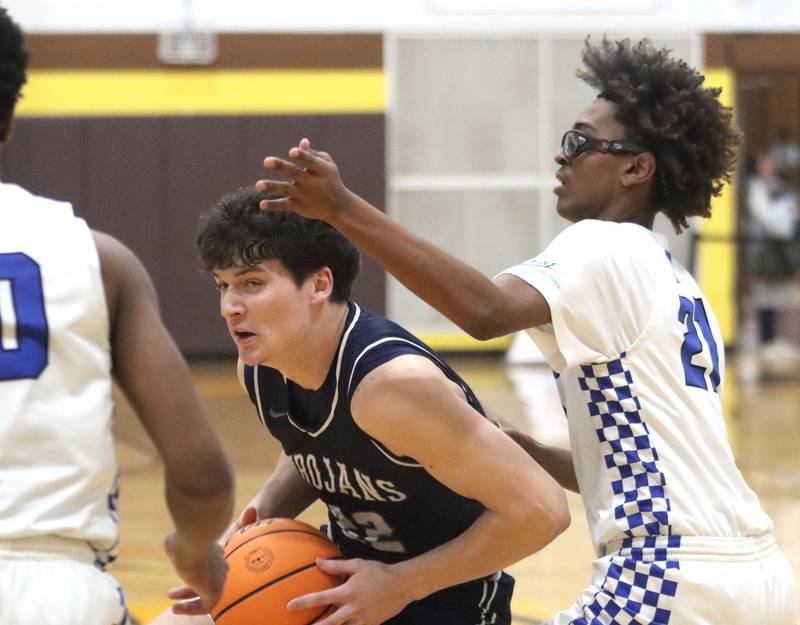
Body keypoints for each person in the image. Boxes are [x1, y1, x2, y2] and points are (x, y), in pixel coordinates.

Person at [255, 38, 799, 624]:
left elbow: (485, 312)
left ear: (636, 168)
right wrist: (532, 452)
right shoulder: (681, 284)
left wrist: (342, 209)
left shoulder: (602, 244)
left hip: (666, 574)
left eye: (579, 143)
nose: (561, 158)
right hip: (762, 574)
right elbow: (653, 465)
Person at [150, 186, 569, 625]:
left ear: (318, 284)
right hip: (342, 574)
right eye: (223, 286)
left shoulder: (391, 386)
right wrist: (243, 540)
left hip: (442, 596)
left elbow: (542, 511)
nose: (229, 308)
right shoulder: (263, 367)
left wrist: (400, 584)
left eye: (252, 284)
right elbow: (319, 446)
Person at [0, 7, 234, 624]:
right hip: (56, 588)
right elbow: (203, 477)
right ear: (8, 120)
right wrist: (191, 549)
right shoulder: (97, 259)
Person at [744, 150, 800, 376]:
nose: (770, 163)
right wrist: (789, 214)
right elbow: (766, 217)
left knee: (780, 296)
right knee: (765, 295)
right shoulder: (756, 188)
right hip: (765, 250)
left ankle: (777, 340)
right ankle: (767, 342)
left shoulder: (778, 186)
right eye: (765, 160)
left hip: (781, 251)